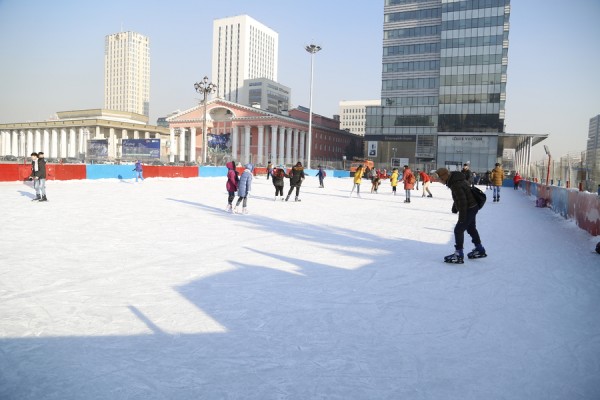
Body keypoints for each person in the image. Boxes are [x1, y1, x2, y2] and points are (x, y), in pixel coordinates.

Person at [436, 167, 487, 264]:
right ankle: (479, 249)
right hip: (473, 206)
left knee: (458, 230)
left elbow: (463, 201)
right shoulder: (456, 180)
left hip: (469, 208)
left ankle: (459, 254)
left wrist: (462, 218)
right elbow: (460, 197)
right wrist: (455, 207)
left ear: (444, 177)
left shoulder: (455, 184)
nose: (439, 181)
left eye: (439, 179)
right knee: (471, 228)